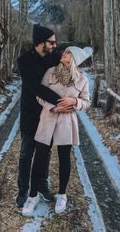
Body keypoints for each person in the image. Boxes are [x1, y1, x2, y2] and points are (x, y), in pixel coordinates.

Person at [22, 46, 92, 216]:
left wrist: (74, 101)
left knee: (64, 159)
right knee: (39, 159)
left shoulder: (82, 78)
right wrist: (53, 108)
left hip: (67, 123)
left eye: (68, 53)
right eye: (65, 51)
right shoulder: (50, 72)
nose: (64, 53)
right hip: (48, 119)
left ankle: (62, 194)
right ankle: (32, 197)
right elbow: (39, 95)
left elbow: (86, 102)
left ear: (74, 58)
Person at [16, 24, 74, 207]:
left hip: (49, 115)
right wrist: (61, 101)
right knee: (26, 153)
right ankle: (23, 189)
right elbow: (36, 88)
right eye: (52, 42)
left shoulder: (54, 57)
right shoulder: (24, 61)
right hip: (30, 111)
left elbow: (71, 63)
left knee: (45, 151)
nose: (55, 46)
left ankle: (42, 185)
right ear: (41, 43)